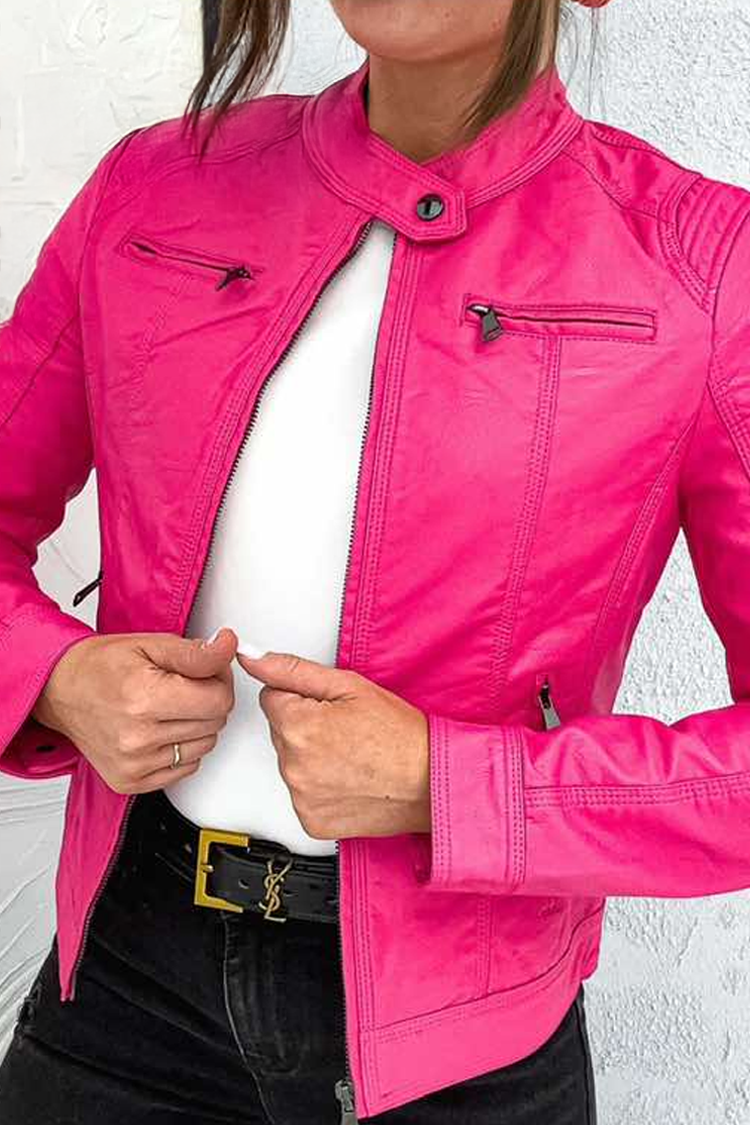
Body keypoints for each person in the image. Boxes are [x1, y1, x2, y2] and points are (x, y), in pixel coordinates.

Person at [0, 0, 748, 1120]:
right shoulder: (153, 190)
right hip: (123, 991)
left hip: (465, 1046)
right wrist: (55, 678)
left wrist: (450, 788)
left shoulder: (704, 265)